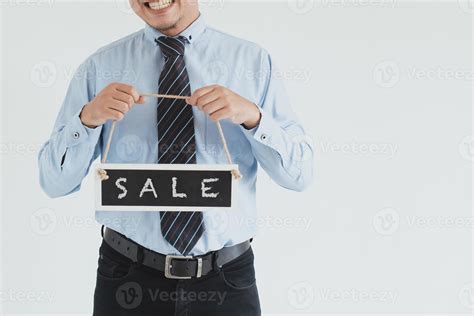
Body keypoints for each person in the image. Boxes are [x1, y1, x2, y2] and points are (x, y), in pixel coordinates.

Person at [38, 0, 314, 315]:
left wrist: (254, 117)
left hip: (226, 281)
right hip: (126, 279)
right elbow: (54, 183)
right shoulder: (99, 68)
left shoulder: (252, 63)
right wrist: (86, 119)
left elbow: (299, 175)